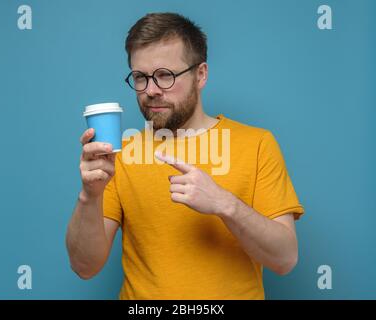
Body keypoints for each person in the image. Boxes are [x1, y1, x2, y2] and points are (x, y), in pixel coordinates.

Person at [66, 12, 305, 300]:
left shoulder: (257, 144)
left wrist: (225, 204)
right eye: (140, 77)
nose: (151, 90)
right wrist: (89, 195)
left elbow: (285, 259)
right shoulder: (120, 154)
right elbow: (84, 266)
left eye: (165, 75)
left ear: (200, 74)